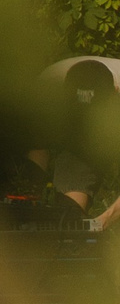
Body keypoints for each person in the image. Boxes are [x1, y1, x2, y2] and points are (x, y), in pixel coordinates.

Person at [27, 59, 120, 230]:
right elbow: (39, 144)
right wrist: (29, 197)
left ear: (115, 93)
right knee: (68, 212)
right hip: (68, 117)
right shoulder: (49, 86)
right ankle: (68, 221)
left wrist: (102, 222)